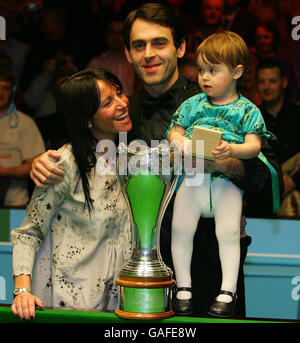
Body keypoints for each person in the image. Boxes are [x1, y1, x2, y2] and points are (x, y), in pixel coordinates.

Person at [29, 3, 283, 317]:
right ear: (127, 53)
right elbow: (79, 151)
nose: (149, 53)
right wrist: (41, 162)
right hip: (131, 281)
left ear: (181, 47)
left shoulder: (221, 106)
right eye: (139, 45)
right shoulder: (118, 114)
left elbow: (270, 181)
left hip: (209, 277)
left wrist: (225, 165)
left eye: (159, 43)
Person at [167, 31, 276, 317]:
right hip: (193, 175)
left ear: (237, 71)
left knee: (228, 233)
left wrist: (232, 150)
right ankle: (183, 287)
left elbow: (254, 146)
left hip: (226, 181)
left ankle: (228, 291)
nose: (204, 77)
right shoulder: (192, 104)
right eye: (202, 69)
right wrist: (182, 143)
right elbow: (174, 132)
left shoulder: (247, 110)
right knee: (180, 228)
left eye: (213, 70)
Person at [11, 68, 132, 320]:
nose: (123, 103)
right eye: (109, 102)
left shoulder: (129, 157)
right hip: (72, 306)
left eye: (119, 93)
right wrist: (22, 291)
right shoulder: (64, 163)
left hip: (116, 305)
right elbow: (28, 233)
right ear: (87, 120)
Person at [256, 58, 300, 216]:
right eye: (262, 82)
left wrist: (295, 181)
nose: (267, 87)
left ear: (284, 82)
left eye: (272, 81)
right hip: (260, 200)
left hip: (295, 197)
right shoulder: (250, 119)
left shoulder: (297, 115)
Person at [0, 70, 45, 208]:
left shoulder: (25, 122)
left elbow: (35, 166)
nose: (0, 93)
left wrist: (3, 171)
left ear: (13, 91)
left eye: (5, 88)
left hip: (14, 203)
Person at [87, 14, 137, 96]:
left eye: (120, 33)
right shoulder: (96, 63)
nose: (116, 37)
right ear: (106, 35)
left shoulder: (135, 61)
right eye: (112, 32)